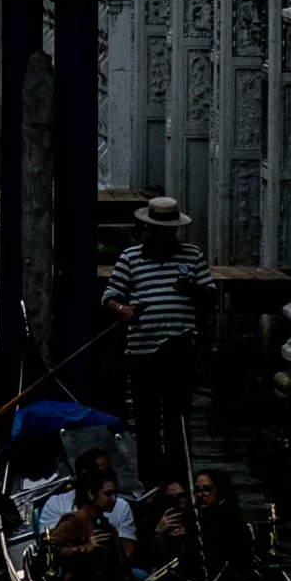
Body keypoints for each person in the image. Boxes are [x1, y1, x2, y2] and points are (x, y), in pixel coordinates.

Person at [104, 194, 216, 482]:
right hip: (143, 353)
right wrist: (123, 309)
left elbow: (210, 296)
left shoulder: (193, 256)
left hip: (180, 350)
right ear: (148, 230)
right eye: (159, 231)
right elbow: (109, 297)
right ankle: (151, 481)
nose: (165, 236)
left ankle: (181, 480)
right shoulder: (130, 258)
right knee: (147, 421)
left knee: (178, 419)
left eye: (169, 231)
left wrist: (191, 288)